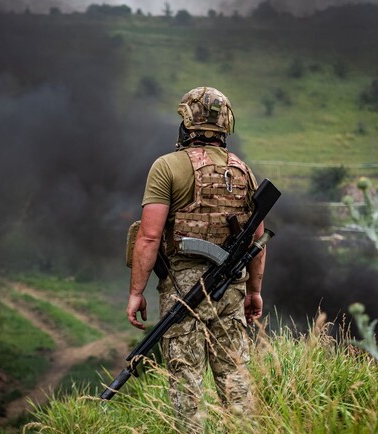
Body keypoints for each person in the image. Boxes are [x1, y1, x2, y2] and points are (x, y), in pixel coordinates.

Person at [126, 86, 266, 430]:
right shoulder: (243, 171)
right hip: (230, 290)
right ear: (225, 125)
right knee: (235, 380)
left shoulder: (167, 167)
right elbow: (258, 240)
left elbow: (148, 235)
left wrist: (136, 292)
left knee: (186, 382)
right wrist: (253, 291)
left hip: (182, 289)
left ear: (187, 122)